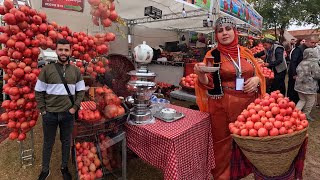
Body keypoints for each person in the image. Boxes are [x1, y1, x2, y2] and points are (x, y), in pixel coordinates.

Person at [194, 16, 266, 180]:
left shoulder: (245, 52)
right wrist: (201, 76)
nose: (224, 33)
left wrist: (256, 79)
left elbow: (257, 73)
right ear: (216, 35)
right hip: (222, 106)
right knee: (222, 143)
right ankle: (222, 176)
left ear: (234, 32)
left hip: (248, 106)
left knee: (246, 139)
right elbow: (208, 82)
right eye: (220, 31)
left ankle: (241, 171)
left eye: (228, 29)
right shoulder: (212, 55)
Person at [35, 38, 85, 180]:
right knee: (48, 142)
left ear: (70, 51)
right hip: (49, 114)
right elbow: (38, 91)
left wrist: (74, 108)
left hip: (67, 114)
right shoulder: (46, 69)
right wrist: (43, 110)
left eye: (66, 50)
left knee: (66, 142)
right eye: (61, 49)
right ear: (56, 51)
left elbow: (81, 91)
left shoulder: (76, 71)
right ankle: (45, 170)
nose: (63, 52)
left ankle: (64, 167)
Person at [287, 37, 317, 103]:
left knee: (299, 91)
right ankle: (291, 104)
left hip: (302, 74)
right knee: (293, 90)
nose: (313, 44)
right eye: (312, 42)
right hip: (295, 73)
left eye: (315, 43)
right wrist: (294, 74)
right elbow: (293, 62)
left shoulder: (309, 49)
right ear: (306, 41)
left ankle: (298, 105)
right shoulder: (298, 49)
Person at [294, 48, 320, 121]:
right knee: (310, 101)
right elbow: (317, 75)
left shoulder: (302, 62)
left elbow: (298, 71)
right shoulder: (314, 63)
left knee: (302, 100)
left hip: (299, 85)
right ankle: (305, 114)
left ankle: (295, 114)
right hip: (309, 87)